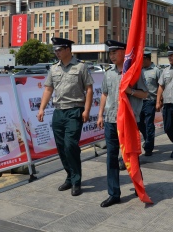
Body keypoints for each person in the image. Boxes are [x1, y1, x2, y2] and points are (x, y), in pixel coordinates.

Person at [37, 37, 94, 197]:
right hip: (58, 112)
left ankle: (76, 181)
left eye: (60, 49)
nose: (57, 52)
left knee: (70, 145)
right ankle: (69, 176)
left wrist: (87, 110)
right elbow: (48, 89)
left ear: (68, 49)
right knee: (61, 147)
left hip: (75, 110)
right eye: (55, 50)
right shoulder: (54, 68)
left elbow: (89, 89)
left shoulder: (81, 67)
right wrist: (41, 108)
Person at [97, 40, 149, 207]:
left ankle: (138, 185)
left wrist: (131, 91)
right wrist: (100, 114)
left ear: (124, 53)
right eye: (110, 53)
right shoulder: (108, 73)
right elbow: (104, 94)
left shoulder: (134, 72)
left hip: (128, 121)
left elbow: (145, 94)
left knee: (132, 155)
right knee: (111, 158)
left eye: (115, 52)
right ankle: (114, 193)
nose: (112, 56)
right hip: (111, 120)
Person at [138, 50, 161, 156]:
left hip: (150, 101)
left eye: (142, 60)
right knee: (139, 123)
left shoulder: (156, 70)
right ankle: (147, 139)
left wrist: (159, 101)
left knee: (149, 124)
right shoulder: (139, 70)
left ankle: (149, 147)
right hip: (139, 101)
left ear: (147, 59)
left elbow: (161, 87)